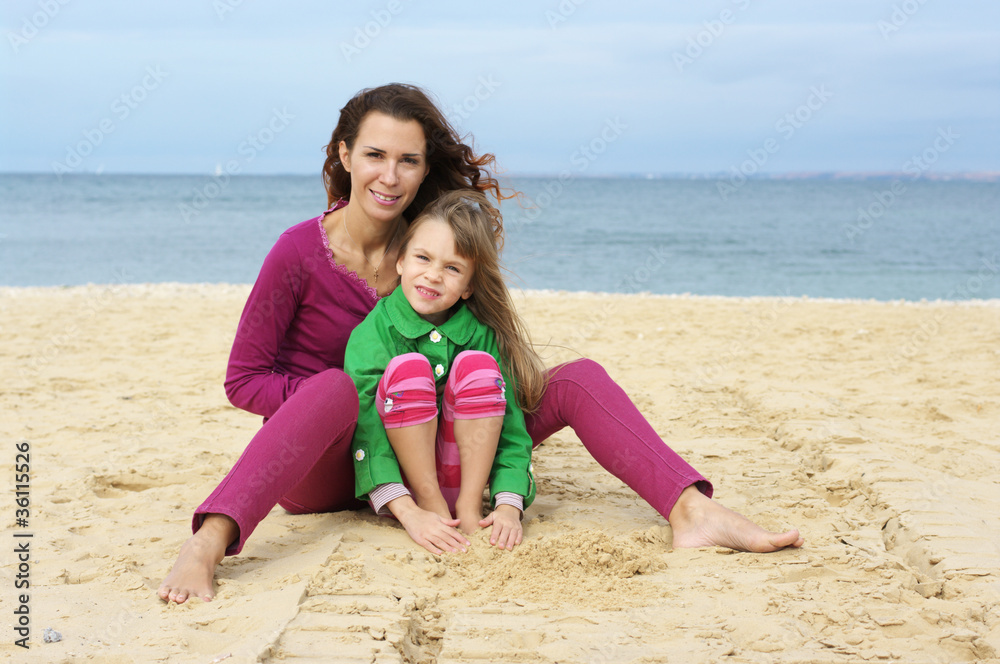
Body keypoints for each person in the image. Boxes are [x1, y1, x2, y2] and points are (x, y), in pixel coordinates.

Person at [158, 83, 802, 605]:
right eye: (376, 155)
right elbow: (243, 381)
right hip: (328, 459)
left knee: (575, 378)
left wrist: (477, 417)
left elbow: (490, 353)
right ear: (344, 154)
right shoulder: (298, 252)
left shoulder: (434, 247)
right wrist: (360, 402)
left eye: (408, 160)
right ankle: (209, 542)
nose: (390, 175)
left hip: (444, 438)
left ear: (424, 168)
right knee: (330, 387)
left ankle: (691, 511)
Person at [345, 190, 545, 551]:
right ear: (401, 261)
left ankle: (467, 506)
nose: (434, 275)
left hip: (462, 476)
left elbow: (511, 426)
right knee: (408, 369)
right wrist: (407, 511)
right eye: (423, 258)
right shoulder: (372, 333)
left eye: (452, 268)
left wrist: (508, 505)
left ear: (469, 286)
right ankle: (430, 503)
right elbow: (366, 429)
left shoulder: (482, 334)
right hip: (400, 487)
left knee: (479, 368)